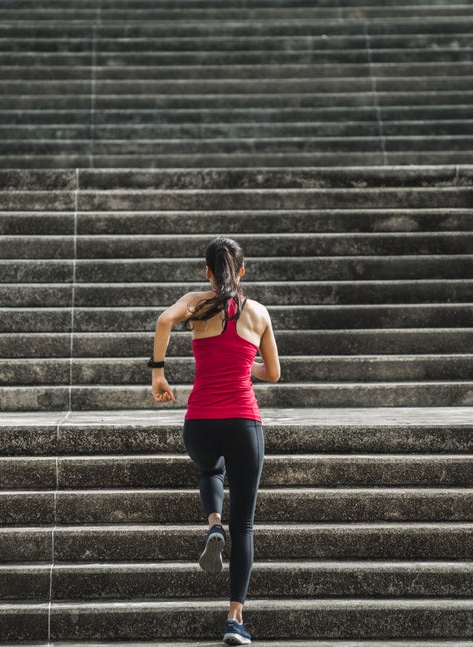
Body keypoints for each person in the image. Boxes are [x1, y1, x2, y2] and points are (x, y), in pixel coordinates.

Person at [150, 236, 281, 645]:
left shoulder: (196, 302)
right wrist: (244, 364)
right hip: (244, 423)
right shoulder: (257, 313)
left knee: (209, 467)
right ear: (242, 270)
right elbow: (273, 373)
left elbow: (162, 321)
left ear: (208, 271)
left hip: (200, 423)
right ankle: (234, 619)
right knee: (244, 524)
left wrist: (158, 373)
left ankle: (211, 524)